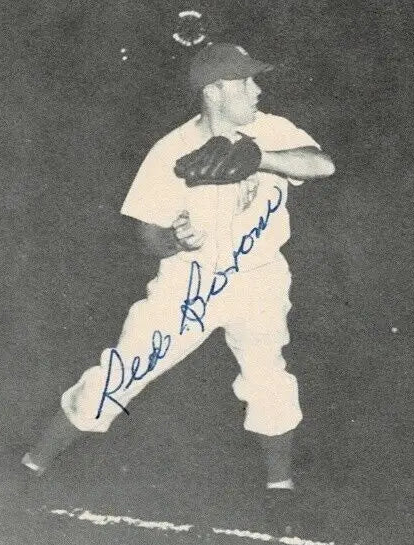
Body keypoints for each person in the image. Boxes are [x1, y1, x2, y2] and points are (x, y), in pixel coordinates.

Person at [22, 42, 335, 491]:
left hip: (260, 279)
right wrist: (174, 239)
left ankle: (280, 490)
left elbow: (323, 164)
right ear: (215, 91)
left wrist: (261, 158)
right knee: (123, 370)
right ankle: (32, 465)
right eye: (246, 81)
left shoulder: (272, 130)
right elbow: (147, 235)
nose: (258, 89)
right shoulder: (171, 149)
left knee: (269, 377)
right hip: (190, 283)